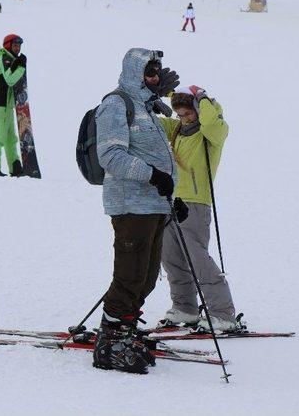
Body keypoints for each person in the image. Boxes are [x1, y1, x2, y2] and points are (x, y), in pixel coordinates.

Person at [92, 48, 180, 374]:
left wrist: (174, 197)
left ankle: (125, 330)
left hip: (153, 205)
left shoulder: (147, 108)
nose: (154, 78)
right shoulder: (116, 105)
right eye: (148, 72)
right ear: (134, 72)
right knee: (129, 276)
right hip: (130, 205)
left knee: (146, 278)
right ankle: (110, 344)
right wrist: (153, 176)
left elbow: (163, 159)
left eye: (157, 72)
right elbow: (111, 156)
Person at [156, 85, 239, 331]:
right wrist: (160, 96)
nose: (184, 119)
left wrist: (202, 98)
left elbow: (213, 122)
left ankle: (223, 314)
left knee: (198, 259)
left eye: (188, 113)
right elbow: (153, 123)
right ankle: (185, 308)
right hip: (171, 202)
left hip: (196, 203)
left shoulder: (211, 133)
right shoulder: (176, 130)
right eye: (180, 114)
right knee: (171, 259)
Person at [0, 34, 27, 177]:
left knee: (10, 138)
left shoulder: (10, 60)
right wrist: (21, 67)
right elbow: (10, 79)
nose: (17, 48)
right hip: (0, 105)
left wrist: (18, 64)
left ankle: (15, 166)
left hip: (7, 106)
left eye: (19, 45)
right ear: (8, 45)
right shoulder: (4, 58)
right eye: (15, 45)